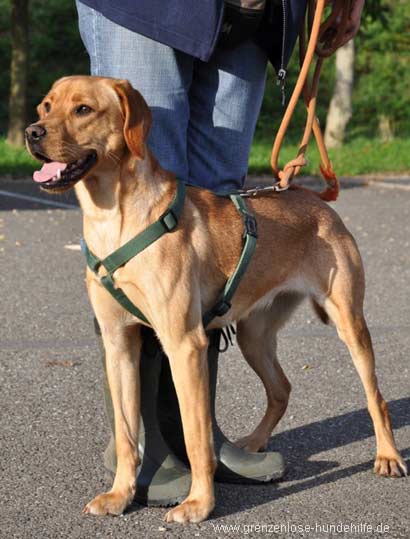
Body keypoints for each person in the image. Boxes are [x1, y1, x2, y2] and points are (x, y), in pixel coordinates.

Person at [74, 0, 365, 506]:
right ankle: (146, 444)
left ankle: (197, 436)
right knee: (145, 180)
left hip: (254, 15)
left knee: (219, 211)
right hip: (147, 11)